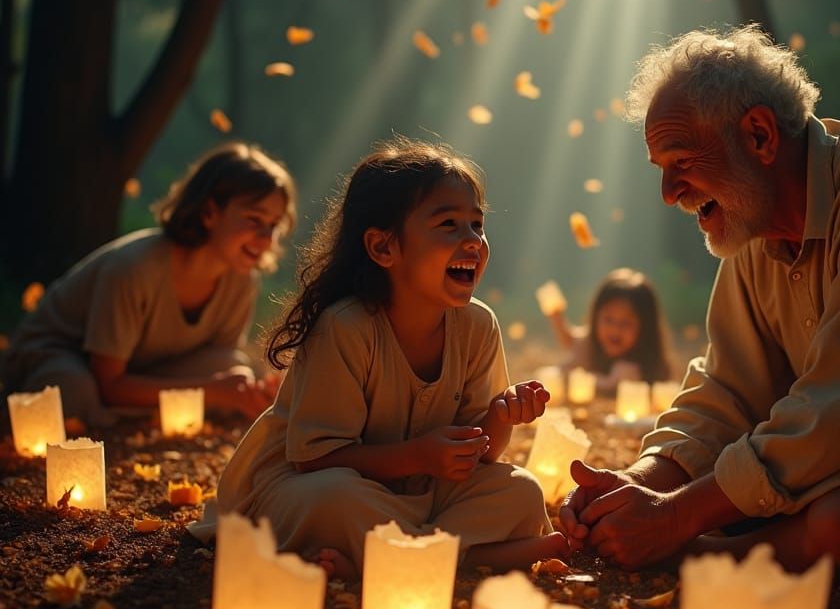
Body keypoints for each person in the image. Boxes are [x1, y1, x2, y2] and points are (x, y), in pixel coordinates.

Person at [560, 25, 840, 580]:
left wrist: (673, 520)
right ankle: (716, 538)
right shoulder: (752, 226)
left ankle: (704, 558)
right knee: (762, 492)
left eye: (680, 161)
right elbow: (728, 390)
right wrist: (644, 480)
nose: (669, 193)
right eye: (660, 169)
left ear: (759, 135)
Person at [205, 136, 568, 580]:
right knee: (333, 499)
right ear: (383, 248)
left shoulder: (478, 325)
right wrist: (418, 456)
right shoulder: (347, 327)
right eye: (449, 224)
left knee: (521, 491)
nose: (472, 240)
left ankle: (386, 559)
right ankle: (459, 558)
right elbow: (314, 459)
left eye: (477, 224)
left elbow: (480, 456)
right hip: (316, 485)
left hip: (422, 492)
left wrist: (500, 416)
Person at [1, 142, 296, 427]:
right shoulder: (133, 269)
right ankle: (114, 415)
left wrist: (254, 390)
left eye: (274, 225)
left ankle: (126, 411)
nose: (266, 238)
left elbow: (217, 361)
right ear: (209, 213)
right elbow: (109, 382)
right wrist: (213, 393)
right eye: (254, 219)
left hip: (142, 368)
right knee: (74, 390)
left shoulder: (242, 279)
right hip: (66, 361)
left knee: (233, 367)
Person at [543, 267, 674, 393]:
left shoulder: (630, 369)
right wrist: (556, 316)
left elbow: (609, 385)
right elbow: (570, 340)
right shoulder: (591, 344)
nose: (615, 330)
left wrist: (575, 377)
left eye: (626, 323)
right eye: (608, 319)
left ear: (646, 328)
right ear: (596, 317)